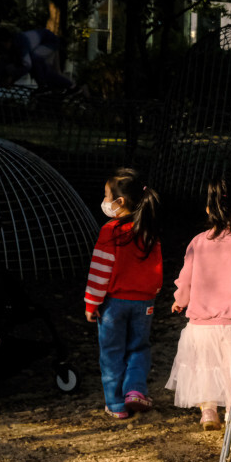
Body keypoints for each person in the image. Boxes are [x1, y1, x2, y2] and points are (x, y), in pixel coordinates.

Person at [166, 177, 231, 431]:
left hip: (202, 326)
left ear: (208, 209)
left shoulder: (197, 243)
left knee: (204, 369)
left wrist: (180, 300)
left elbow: (186, 279)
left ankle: (208, 412)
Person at [83, 168, 163, 420]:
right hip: (144, 303)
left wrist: (91, 303)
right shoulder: (148, 230)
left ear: (119, 202)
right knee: (139, 347)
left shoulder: (110, 231)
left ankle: (116, 404)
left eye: (106, 196)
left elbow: (100, 270)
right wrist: (152, 293)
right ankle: (135, 390)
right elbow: (157, 268)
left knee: (112, 353)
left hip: (113, 304)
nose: (104, 201)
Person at [0, 26, 78, 93]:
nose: (2, 50)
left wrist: (12, 78)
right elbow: (4, 60)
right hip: (43, 42)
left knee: (35, 62)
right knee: (36, 64)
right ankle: (48, 85)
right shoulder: (11, 48)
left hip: (49, 42)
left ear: (8, 41)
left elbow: (27, 65)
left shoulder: (20, 43)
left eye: (2, 46)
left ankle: (65, 86)